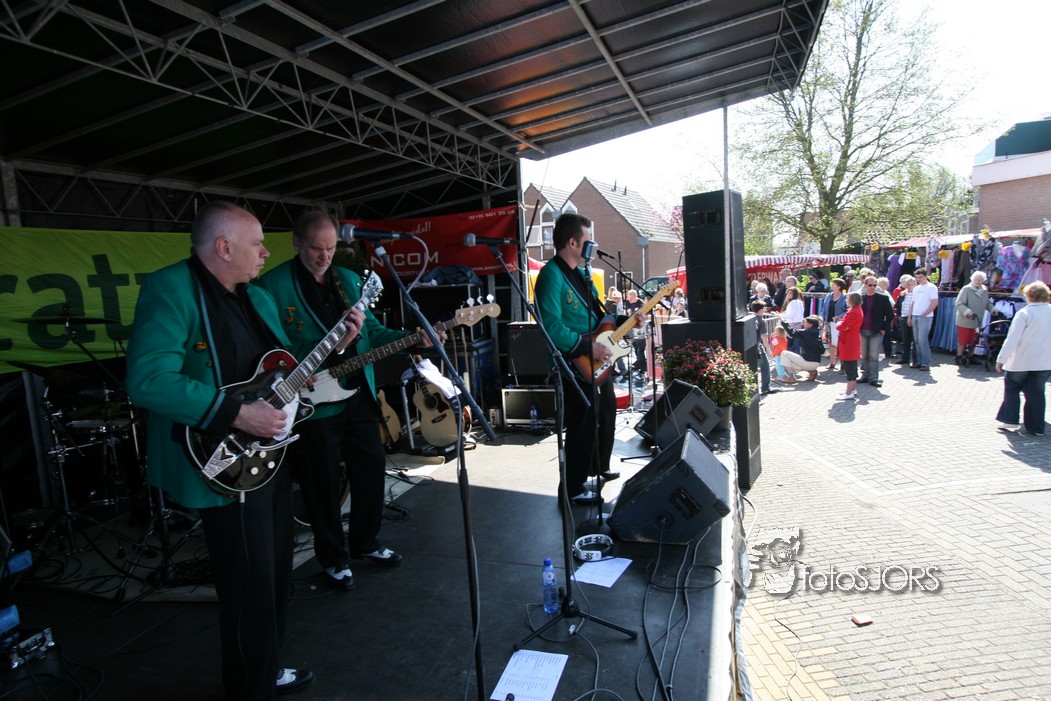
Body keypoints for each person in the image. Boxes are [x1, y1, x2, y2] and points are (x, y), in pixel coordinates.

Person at [125, 201, 343, 699]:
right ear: (224, 247)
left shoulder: (257, 298)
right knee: (248, 583)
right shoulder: (171, 288)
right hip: (218, 462)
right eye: (257, 244)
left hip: (268, 457)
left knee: (276, 572)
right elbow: (148, 381)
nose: (267, 252)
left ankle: (266, 668)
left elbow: (281, 368)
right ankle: (249, 686)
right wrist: (238, 415)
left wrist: (334, 343)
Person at [257, 209, 418, 592]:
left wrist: (413, 338)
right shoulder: (272, 286)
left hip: (357, 392)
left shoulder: (347, 279)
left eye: (330, 248)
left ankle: (366, 542)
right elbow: (271, 347)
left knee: (371, 469)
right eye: (316, 248)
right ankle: (332, 557)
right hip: (312, 401)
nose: (324, 256)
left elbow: (372, 333)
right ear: (297, 242)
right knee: (322, 484)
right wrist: (328, 347)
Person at [535, 213, 637, 504]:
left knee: (605, 412)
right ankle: (572, 488)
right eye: (588, 240)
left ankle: (598, 467)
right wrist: (586, 346)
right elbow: (550, 326)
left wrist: (626, 321)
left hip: (595, 357)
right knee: (581, 424)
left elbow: (599, 315)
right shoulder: (551, 275)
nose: (592, 246)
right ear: (572, 243)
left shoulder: (582, 274)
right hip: (574, 362)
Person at [995, 281, 1051, 436]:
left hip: (1022, 360)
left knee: (1012, 387)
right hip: (1044, 361)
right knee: (1037, 392)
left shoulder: (1025, 313)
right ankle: (1036, 427)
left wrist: (1001, 358)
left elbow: (1013, 338)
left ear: (1029, 296)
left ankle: (1010, 420)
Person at [858, 275, 894, 388]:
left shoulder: (883, 298)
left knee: (873, 356)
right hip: (863, 330)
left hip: (876, 331)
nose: (872, 287)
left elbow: (890, 315)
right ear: (865, 285)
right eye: (870, 285)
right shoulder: (861, 298)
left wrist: (883, 328)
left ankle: (873, 378)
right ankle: (865, 375)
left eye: (874, 285)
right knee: (864, 355)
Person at [955, 271, 995, 365]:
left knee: (974, 340)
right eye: (976, 279)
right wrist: (967, 311)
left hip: (977, 320)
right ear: (972, 279)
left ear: (983, 280)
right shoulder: (966, 289)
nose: (977, 281)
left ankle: (970, 356)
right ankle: (959, 357)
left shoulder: (984, 290)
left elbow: (987, 302)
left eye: (980, 280)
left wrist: (993, 309)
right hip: (965, 320)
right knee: (963, 340)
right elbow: (959, 303)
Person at [909, 268, 939, 370]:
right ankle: (919, 361)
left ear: (926, 276)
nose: (919, 279)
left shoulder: (931, 287)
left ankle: (926, 363)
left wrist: (925, 314)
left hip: (925, 317)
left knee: (923, 340)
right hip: (915, 315)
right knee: (917, 340)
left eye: (920, 277)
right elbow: (913, 303)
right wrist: (910, 316)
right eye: (917, 277)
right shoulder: (916, 288)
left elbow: (934, 302)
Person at [835, 292, 864, 401]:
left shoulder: (854, 312)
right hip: (850, 340)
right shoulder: (855, 310)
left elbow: (843, 326)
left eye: (848, 298)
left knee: (849, 368)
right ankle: (852, 389)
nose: (846, 300)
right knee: (852, 367)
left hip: (849, 342)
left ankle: (849, 392)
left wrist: (839, 324)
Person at [780, 315, 825, 381]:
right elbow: (822, 351)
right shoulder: (817, 334)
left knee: (784, 354)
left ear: (810, 325)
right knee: (790, 359)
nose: (803, 323)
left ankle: (792, 378)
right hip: (817, 362)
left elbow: (792, 332)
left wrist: (783, 321)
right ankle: (812, 371)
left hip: (808, 362)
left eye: (805, 322)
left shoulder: (805, 332)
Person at [750, 300, 779, 395]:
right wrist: (769, 350)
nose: (765, 309)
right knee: (765, 366)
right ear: (760, 309)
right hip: (758, 346)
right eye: (764, 308)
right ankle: (765, 388)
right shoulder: (761, 321)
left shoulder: (750, 318)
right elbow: (763, 336)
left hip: (750, 346)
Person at [822, 278, 848, 370]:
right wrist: (824, 321)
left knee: (839, 344)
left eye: (833, 284)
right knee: (830, 343)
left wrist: (839, 316)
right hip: (829, 323)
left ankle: (842, 364)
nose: (832, 285)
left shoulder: (845, 297)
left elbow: (848, 310)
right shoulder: (829, 296)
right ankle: (832, 362)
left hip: (839, 324)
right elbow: (824, 309)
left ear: (839, 286)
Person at [894, 275, 916, 366]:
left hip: (914, 318)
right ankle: (905, 358)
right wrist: (899, 315)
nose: (909, 286)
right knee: (905, 340)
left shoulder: (917, 294)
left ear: (915, 284)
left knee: (915, 340)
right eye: (907, 284)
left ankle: (915, 360)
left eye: (911, 284)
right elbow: (897, 306)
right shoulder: (902, 293)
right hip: (903, 318)